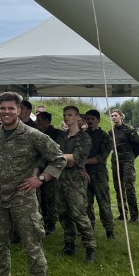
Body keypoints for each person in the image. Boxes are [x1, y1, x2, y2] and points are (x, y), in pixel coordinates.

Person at [0, 92, 66, 276]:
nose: (6, 112)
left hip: (23, 199)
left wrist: (41, 178)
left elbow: (59, 158)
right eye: (3, 108)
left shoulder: (33, 136)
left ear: (19, 110)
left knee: (32, 247)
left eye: (11, 108)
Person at [55, 106, 97, 262]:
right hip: (60, 178)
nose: (66, 117)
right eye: (65, 115)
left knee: (79, 214)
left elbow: (77, 157)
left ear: (78, 117)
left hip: (76, 180)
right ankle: (69, 245)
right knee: (63, 213)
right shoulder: (61, 136)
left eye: (70, 115)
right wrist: (66, 158)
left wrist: (59, 157)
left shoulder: (84, 137)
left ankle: (90, 247)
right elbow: (61, 157)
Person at [83, 109, 114, 239]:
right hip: (84, 173)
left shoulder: (105, 136)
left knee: (104, 202)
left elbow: (101, 157)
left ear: (98, 120)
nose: (90, 121)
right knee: (86, 203)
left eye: (93, 119)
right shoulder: (83, 135)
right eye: (88, 119)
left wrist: (84, 161)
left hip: (99, 174)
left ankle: (109, 230)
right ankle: (89, 229)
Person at [109, 109, 139, 222]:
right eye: (112, 116)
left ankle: (134, 215)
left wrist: (130, 158)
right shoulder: (111, 131)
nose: (113, 117)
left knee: (129, 187)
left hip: (127, 160)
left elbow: (137, 146)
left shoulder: (129, 130)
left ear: (121, 117)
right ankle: (122, 214)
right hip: (116, 160)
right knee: (118, 188)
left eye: (115, 115)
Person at [35, 110, 59, 234]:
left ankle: (51, 222)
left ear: (46, 121)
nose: (37, 123)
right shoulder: (38, 133)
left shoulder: (55, 134)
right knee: (41, 197)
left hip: (51, 170)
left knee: (51, 197)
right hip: (39, 169)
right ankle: (42, 220)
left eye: (39, 121)